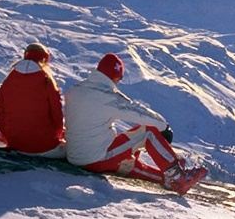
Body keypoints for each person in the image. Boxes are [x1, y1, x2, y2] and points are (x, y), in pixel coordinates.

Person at [65, 52, 206, 194]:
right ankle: (178, 177)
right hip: (95, 159)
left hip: (75, 156)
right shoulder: (109, 97)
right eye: (119, 78)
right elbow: (138, 112)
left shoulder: (76, 90)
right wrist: (163, 127)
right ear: (116, 77)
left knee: (127, 160)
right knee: (148, 132)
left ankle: (167, 179)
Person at [0, 41, 66, 157]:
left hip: (15, 143)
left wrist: (7, 134)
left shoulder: (10, 78)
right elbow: (56, 112)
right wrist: (58, 134)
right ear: (45, 59)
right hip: (45, 146)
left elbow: (0, 108)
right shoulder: (46, 80)